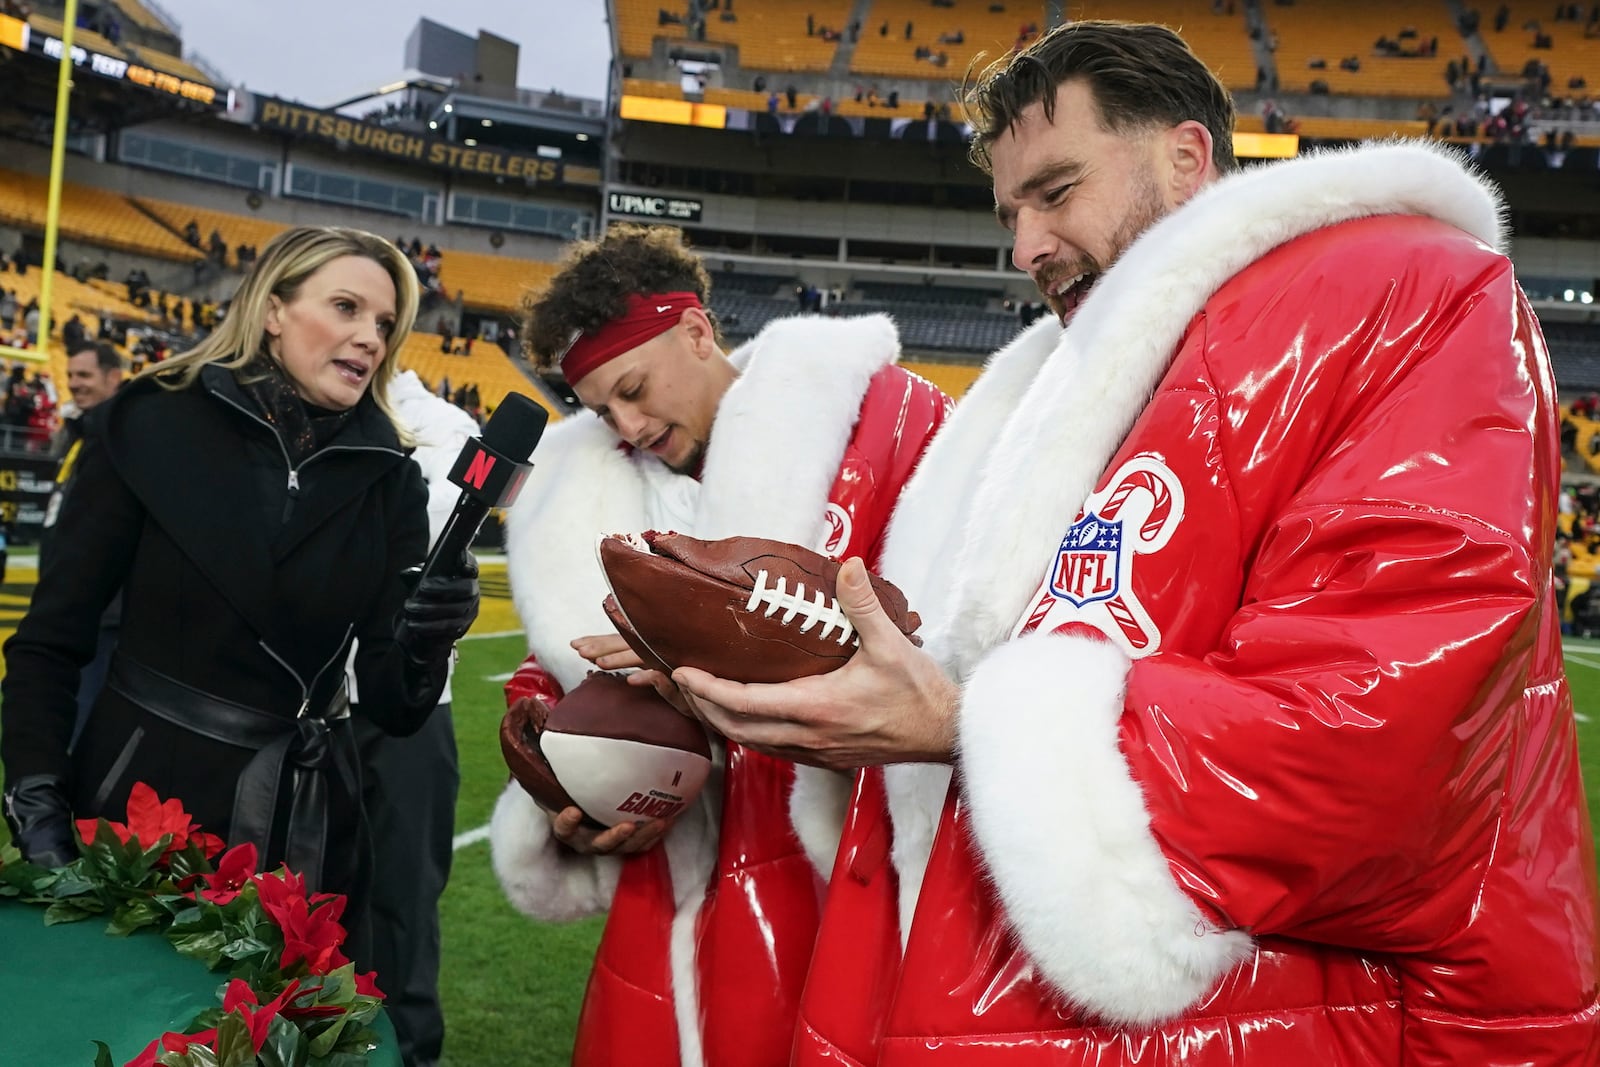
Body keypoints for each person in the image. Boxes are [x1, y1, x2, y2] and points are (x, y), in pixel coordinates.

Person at [668, 20, 1600, 1064]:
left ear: (1185, 157)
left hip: (1293, 1020)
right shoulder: (1056, 386)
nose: (1023, 246)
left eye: (1056, 192)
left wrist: (960, 723)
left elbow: (1387, 734)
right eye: (1011, 211)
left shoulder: (1408, 289)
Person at [487, 224, 949, 1067]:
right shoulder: (597, 494)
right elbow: (558, 663)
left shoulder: (883, 426)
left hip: (846, 863)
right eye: (599, 410)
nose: (626, 424)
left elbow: (957, 623)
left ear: (697, 331)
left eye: (633, 387)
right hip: (680, 886)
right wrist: (562, 751)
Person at [1, 228, 479, 953]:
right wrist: (37, 796)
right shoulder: (146, 423)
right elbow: (50, 640)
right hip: (141, 814)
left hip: (308, 832)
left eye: (384, 324)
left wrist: (428, 633)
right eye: (346, 307)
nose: (369, 338)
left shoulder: (392, 478)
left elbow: (393, 702)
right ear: (274, 309)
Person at [349, 368, 480, 1067]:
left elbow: (417, 559)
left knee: (399, 914)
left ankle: (410, 1057)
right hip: (294, 706)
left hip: (403, 705)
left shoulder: (441, 427)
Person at [42, 340, 126, 734]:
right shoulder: (79, 431)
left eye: (85, 375)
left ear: (113, 377)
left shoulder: (126, 435)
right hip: (70, 605)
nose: (75, 383)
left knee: (85, 724)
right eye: (72, 374)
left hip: (103, 612)